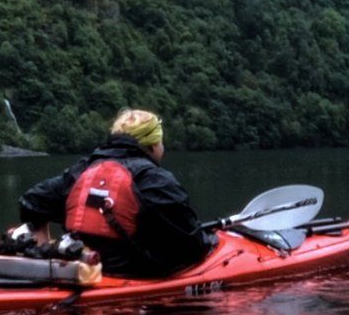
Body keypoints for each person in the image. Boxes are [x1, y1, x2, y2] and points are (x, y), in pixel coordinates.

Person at [19, 106, 213, 280]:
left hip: (86, 269)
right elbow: (194, 247)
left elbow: (31, 201)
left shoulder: (83, 170)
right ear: (153, 145)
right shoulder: (155, 180)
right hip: (135, 275)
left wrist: (40, 244)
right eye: (161, 142)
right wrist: (211, 239)